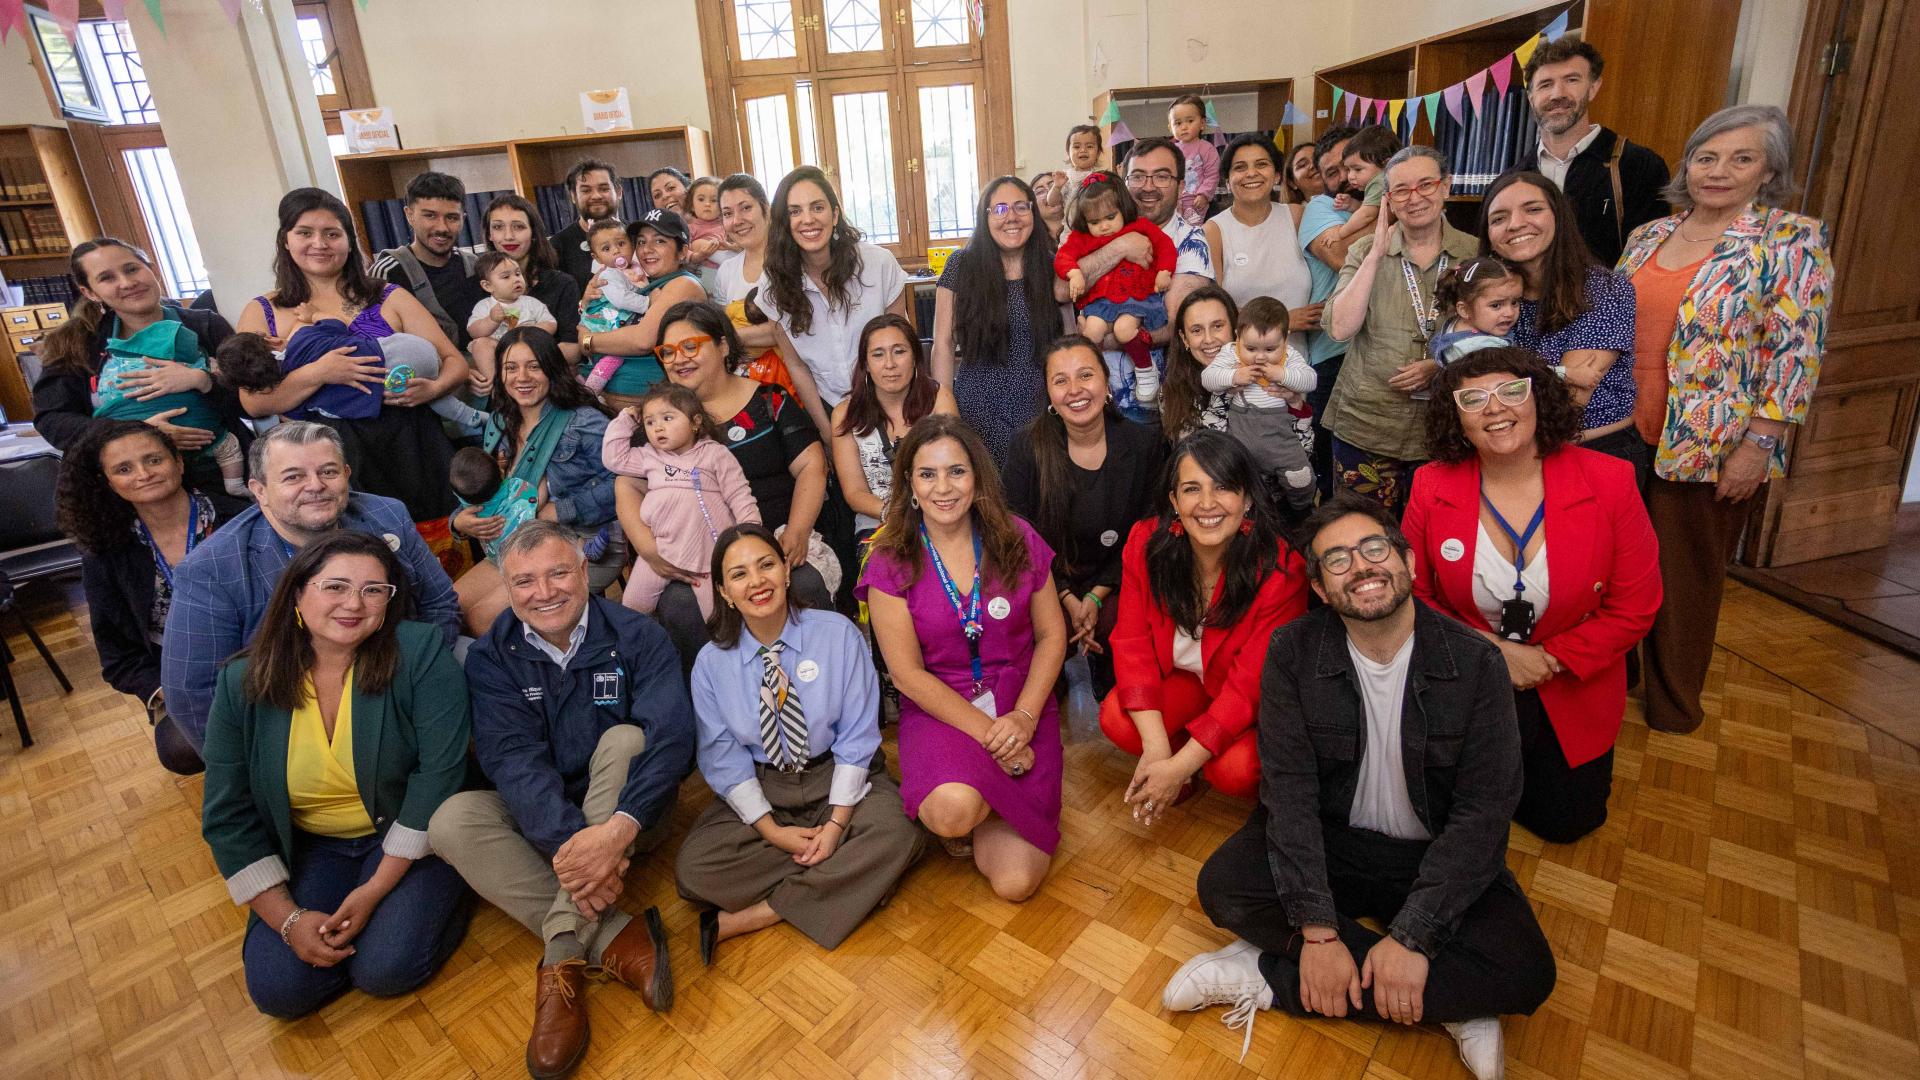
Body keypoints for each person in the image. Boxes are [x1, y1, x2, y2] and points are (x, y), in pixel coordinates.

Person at [1164, 497, 1556, 1080]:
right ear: (1321, 589)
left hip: (1431, 851)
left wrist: (1414, 938)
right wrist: (1320, 936)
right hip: (1333, 842)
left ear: (1409, 563)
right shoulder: (1293, 651)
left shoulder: (1475, 663)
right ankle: (1452, 999)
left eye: (1375, 549)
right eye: (1337, 560)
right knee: (1224, 885)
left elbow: (1483, 815)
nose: (1362, 566)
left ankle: (1271, 980)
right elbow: (1289, 795)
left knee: (1527, 970)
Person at [429, 522, 694, 1079]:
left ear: (584, 572)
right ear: (505, 585)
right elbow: (513, 764)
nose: (543, 592)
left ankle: (561, 956)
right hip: (550, 823)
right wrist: (580, 852)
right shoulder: (491, 658)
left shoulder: (638, 635)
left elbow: (671, 737)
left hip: (632, 815)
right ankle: (609, 932)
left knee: (627, 739)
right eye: (524, 581)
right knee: (452, 821)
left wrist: (617, 831)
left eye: (557, 573)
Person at [1617, 104, 1832, 735]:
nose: (1718, 171)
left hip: (1711, 439)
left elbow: (1796, 353)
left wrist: (1760, 445)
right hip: (1622, 427)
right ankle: (1618, 679)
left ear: (1768, 170)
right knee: (1620, 565)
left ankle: (1673, 703)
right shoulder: (1649, 236)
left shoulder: (1791, 240)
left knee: (1684, 577)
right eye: (1706, 157)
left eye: (1741, 158)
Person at [199, 531, 472, 1020]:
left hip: (406, 836)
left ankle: (440, 898)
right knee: (281, 993)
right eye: (336, 587)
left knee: (385, 971)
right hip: (313, 846)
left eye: (373, 591)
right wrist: (288, 920)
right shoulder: (241, 682)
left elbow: (439, 775)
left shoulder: (419, 651)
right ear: (298, 596)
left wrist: (372, 893)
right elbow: (227, 814)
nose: (355, 603)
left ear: (389, 603)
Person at [1404, 349, 1661, 843]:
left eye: (1511, 392)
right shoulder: (1430, 484)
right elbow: (1412, 594)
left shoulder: (1609, 480)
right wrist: (1496, 654)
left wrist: (1547, 659)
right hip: (1468, 673)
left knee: (1566, 823)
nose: (1495, 409)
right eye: (1473, 399)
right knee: (1444, 815)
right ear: (1456, 420)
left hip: (1566, 676)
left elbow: (1636, 605)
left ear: (1538, 399)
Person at [677, 523, 926, 962]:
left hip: (841, 777)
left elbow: (858, 736)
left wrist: (834, 826)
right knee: (694, 870)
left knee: (896, 829)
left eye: (766, 565)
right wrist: (772, 832)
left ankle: (761, 913)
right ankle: (857, 881)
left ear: (787, 571)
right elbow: (723, 757)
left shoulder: (837, 634)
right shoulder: (711, 664)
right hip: (767, 785)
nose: (757, 582)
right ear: (724, 591)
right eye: (739, 574)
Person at [858, 415, 1067, 900]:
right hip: (942, 706)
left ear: (977, 477)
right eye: (927, 474)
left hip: (1021, 701)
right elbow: (906, 675)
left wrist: (1026, 718)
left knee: (1015, 885)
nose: (943, 488)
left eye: (957, 471)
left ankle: (995, 797)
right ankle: (974, 797)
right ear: (909, 483)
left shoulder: (1017, 537)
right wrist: (996, 737)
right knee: (950, 814)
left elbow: (1052, 635)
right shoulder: (889, 557)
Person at [161, 421, 461, 750]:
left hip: (398, 674)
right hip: (290, 715)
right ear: (259, 490)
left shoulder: (387, 515)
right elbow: (194, 693)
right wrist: (254, 771)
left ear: (347, 474)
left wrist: (413, 679)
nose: (315, 486)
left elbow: (440, 603)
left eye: (328, 472)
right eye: (293, 477)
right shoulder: (212, 568)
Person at [1100, 429, 1308, 810]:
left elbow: (1248, 688)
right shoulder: (1146, 543)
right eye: (1192, 489)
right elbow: (1131, 643)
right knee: (1118, 716)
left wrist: (1180, 765)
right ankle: (1179, 765)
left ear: (1247, 499)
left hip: (1248, 701)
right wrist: (1159, 748)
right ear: (1174, 501)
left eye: (1223, 487)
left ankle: (1190, 765)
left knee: (1234, 771)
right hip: (1189, 682)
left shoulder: (1281, 571)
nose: (1208, 504)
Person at [237, 188, 468, 529]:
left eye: (332, 233)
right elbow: (253, 402)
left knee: (441, 544)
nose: (320, 243)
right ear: (286, 241)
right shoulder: (264, 311)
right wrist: (321, 372)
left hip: (413, 445)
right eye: (305, 233)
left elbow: (455, 362)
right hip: (327, 461)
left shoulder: (388, 295)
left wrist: (431, 390)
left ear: (349, 241)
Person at [638, 301, 835, 664]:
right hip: (693, 554)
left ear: (723, 345)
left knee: (804, 585)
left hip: (774, 540)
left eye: (691, 346)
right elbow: (628, 484)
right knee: (679, 605)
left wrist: (798, 530)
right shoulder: (659, 417)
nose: (679, 359)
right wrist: (646, 547)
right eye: (668, 352)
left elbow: (812, 466)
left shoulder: (769, 400)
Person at [57, 421, 227, 774]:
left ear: (178, 462)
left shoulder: (238, 518)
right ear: (108, 482)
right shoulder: (106, 552)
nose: (143, 474)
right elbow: (118, 657)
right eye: (124, 469)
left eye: (153, 460)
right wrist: (176, 693)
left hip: (258, 658)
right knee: (183, 749)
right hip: (179, 675)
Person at [35, 238, 250, 509]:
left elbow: (253, 402)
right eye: (107, 278)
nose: (126, 282)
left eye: (132, 269)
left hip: (221, 481)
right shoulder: (75, 344)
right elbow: (52, 419)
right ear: (90, 292)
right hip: (129, 492)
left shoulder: (206, 325)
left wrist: (205, 381)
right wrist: (134, 432)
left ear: (152, 269)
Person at [1004, 336, 1164, 696]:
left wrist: (1095, 597)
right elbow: (1019, 535)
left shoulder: (1143, 444)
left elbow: (1147, 530)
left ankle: (1108, 674)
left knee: (1119, 642)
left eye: (1086, 376)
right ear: (1048, 392)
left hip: (1118, 575)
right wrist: (1066, 597)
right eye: (1060, 381)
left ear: (1106, 381)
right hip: (1048, 580)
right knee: (1046, 659)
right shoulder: (1026, 448)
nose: (1075, 390)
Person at [1324, 146, 1480, 515]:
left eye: (1425, 185)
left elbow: (1494, 333)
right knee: (1365, 534)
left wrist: (1442, 365)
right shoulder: (1365, 251)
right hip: (1367, 423)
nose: (1415, 198)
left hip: (1446, 426)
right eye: (1401, 191)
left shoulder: (1474, 254)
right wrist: (1377, 253)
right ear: (1388, 200)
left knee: (1434, 536)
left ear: (1446, 187)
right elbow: (1340, 328)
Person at [451, 327, 619, 637]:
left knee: (484, 621)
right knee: (450, 610)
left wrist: (561, 510)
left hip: (579, 540)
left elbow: (625, 485)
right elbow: (482, 487)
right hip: (516, 539)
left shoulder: (584, 421)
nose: (522, 377)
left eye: (534, 366)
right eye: (511, 367)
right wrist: (460, 521)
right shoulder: (501, 421)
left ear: (552, 369)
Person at [1481, 170, 1643, 478]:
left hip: (1594, 453)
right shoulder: (1492, 298)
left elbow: (1570, 398)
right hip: (1515, 453)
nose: (1515, 224)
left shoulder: (1603, 290)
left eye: (1533, 209)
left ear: (1559, 216)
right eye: (1499, 218)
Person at [757, 165, 906, 435]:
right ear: (783, 222)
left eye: (817, 207)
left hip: (892, 399)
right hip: (827, 405)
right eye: (795, 211)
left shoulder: (878, 264)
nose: (808, 219)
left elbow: (903, 344)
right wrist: (828, 433)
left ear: (835, 214)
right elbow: (797, 366)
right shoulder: (773, 283)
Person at [931, 176, 1063, 464]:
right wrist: (944, 415)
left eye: (1020, 207)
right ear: (985, 217)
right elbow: (942, 343)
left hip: (1040, 409)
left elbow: (1069, 341)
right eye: (1000, 209)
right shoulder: (961, 265)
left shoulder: (1052, 265)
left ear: (1033, 212)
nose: (1011, 217)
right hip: (977, 409)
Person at [602, 382, 759, 618]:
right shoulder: (649, 456)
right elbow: (613, 458)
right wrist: (628, 418)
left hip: (709, 554)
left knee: (718, 618)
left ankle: (724, 653)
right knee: (632, 608)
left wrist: (752, 538)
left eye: (667, 418)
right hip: (662, 549)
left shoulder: (715, 454)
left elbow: (739, 496)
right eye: (650, 422)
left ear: (695, 422)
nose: (658, 428)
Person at [1522, 38, 1671, 267]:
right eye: (1545, 84)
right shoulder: (1515, 177)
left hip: (1608, 302)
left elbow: (1648, 262)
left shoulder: (1639, 166)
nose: (1557, 94)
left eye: (1571, 80)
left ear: (1593, 87)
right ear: (1531, 98)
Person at [834, 313, 957, 539]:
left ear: (914, 358)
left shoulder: (939, 399)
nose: (890, 364)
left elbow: (955, 469)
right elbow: (854, 493)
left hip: (942, 514)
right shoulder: (845, 414)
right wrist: (897, 515)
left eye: (899, 351)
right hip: (880, 522)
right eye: (878, 355)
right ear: (866, 365)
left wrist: (932, 514)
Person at [574, 208, 710, 412]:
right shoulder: (642, 283)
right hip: (613, 404)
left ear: (682, 251)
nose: (647, 249)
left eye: (659, 241)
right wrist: (585, 303)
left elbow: (641, 340)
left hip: (654, 409)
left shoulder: (683, 284)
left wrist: (587, 340)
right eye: (641, 242)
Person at [1056, 172, 1175, 403]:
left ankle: (1144, 369)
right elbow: (1063, 257)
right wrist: (1074, 273)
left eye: (1110, 217)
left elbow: (1165, 246)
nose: (1104, 226)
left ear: (1123, 208)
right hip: (1102, 302)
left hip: (1135, 298)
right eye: (1094, 222)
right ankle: (1098, 379)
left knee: (1123, 329)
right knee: (1090, 334)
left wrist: (1164, 271)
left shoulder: (1139, 227)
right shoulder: (1083, 238)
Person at [1201, 295, 1318, 512]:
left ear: (1286, 339)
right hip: (1241, 433)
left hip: (1280, 436)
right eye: (1251, 349)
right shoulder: (1230, 353)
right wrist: (1234, 376)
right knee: (1234, 481)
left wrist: (1281, 374)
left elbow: (1310, 380)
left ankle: (1300, 511)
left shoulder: (1289, 356)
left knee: (1301, 478)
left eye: (1270, 349)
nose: (1259, 358)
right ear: (1237, 337)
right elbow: (1207, 379)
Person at [1204, 135, 1316, 347]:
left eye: (1261, 164)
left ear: (1276, 176)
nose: (1251, 173)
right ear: (1227, 181)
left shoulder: (1296, 216)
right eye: (1240, 167)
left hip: (1299, 367)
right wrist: (1282, 321)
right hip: (1242, 368)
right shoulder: (1214, 230)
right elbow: (1215, 309)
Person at [1300, 126, 1361, 498]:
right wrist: (1387, 223)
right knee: (1330, 467)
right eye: (1332, 173)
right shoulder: (1321, 207)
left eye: (1350, 165)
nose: (1344, 178)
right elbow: (1341, 258)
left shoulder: (1393, 198)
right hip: (1333, 354)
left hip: (1383, 351)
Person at [711, 174, 801, 394]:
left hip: (799, 381)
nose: (737, 220)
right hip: (746, 386)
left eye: (745, 208)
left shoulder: (795, 261)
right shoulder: (726, 271)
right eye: (727, 214)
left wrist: (731, 337)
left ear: (766, 209)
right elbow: (723, 327)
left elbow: (793, 330)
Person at [370, 171, 478, 346]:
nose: (442, 227)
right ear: (409, 215)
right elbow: (379, 341)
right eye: (430, 216)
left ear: (463, 219)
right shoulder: (387, 272)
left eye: (452, 217)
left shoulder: (475, 266)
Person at [478, 194, 583, 370]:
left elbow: (572, 350)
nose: (508, 236)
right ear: (489, 234)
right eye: (498, 227)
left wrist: (523, 366)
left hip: (549, 379)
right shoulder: (477, 285)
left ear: (534, 233)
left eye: (518, 227)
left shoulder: (562, 284)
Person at [466, 249, 560, 389]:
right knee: (481, 345)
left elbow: (551, 324)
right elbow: (474, 331)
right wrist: (491, 321)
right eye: (506, 277)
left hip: (527, 348)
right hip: (498, 350)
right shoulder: (485, 306)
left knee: (544, 346)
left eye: (517, 273)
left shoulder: (530, 302)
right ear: (487, 285)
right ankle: (495, 384)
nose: (516, 279)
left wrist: (527, 332)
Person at [1159, 284, 1238, 441]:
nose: (1208, 339)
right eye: (1197, 330)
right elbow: (1194, 455)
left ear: (1235, 328)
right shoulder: (1172, 392)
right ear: (1184, 339)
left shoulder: (1261, 376)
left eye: (1218, 326)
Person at [549, 159, 622, 289]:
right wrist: (583, 304)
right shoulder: (557, 246)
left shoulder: (636, 234)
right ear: (573, 196)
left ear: (618, 192)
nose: (596, 196)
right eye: (586, 190)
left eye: (604, 188)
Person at [1168, 94, 1220, 226]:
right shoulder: (1170, 150)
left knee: (1196, 234)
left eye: (1190, 121)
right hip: (1175, 202)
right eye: (1178, 123)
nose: (1184, 127)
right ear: (1170, 127)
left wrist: (1204, 195)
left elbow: (1212, 175)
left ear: (1202, 123)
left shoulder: (1207, 149)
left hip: (1198, 201)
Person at [681, 175, 732, 275]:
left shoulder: (727, 224)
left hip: (730, 271)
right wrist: (697, 256)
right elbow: (682, 250)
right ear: (691, 205)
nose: (707, 204)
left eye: (714, 200)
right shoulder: (689, 228)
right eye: (701, 199)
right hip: (704, 271)